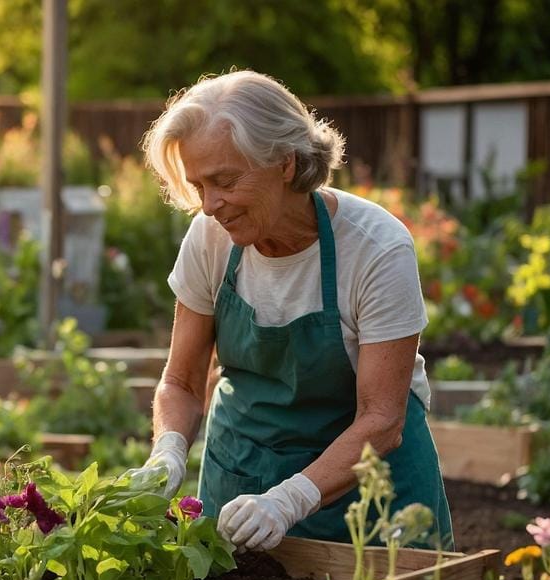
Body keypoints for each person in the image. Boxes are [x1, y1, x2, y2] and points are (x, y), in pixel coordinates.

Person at [130, 70, 453, 552]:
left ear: (284, 162)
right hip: (241, 481)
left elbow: (382, 418)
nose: (210, 205)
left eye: (224, 181)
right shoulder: (210, 239)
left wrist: (289, 499)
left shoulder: (374, 248)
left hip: (368, 500)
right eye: (199, 186)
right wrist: (169, 450)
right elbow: (180, 381)